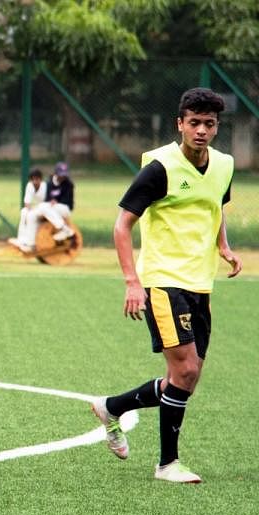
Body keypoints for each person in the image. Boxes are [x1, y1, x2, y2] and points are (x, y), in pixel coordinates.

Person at [90, 88, 241, 484]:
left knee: (185, 380)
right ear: (180, 124)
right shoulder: (160, 168)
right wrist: (132, 282)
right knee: (186, 369)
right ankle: (167, 464)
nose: (202, 131)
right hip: (162, 281)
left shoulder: (224, 165)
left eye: (209, 124)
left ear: (217, 127)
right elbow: (122, 225)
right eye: (194, 122)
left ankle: (111, 407)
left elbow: (216, 206)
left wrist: (222, 246)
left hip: (200, 284)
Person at [9, 168, 45, 252]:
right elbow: (27, 202)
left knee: (31, 215)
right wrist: (29, 210)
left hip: (44, 209)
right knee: (24, 212)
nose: (35, 182)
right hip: (35, 208)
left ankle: (31, 244)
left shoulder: (45, 186)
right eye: (33, 179)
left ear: (40, 179)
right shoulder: (29, 185)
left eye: (37, 179)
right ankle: (21, 240)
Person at [42, 161, 76, 241]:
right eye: (61, 175)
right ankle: (64, 230)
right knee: (44, 207)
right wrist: (51, 201)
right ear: (56, 173)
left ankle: (64, 229)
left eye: (64, 175)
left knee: (47, 208)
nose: (62, 177)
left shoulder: (69, 184)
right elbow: (46, 198)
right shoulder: (49, 183)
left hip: (65, 208)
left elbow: (68, 202)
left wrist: (57, 201)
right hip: (51, 207)